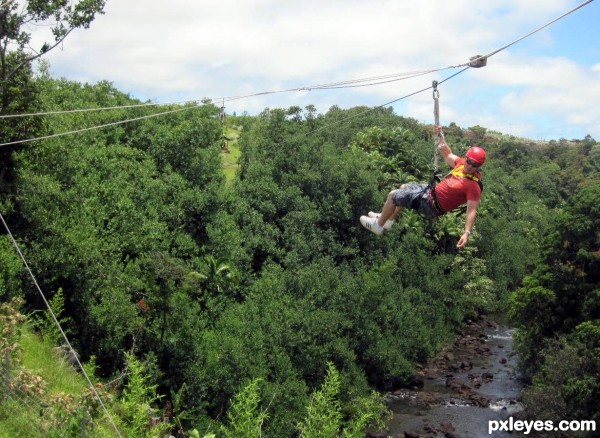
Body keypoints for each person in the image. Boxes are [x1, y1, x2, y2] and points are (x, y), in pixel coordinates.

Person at [360, 125, 486, 249]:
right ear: (466, 158)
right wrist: (440, 135)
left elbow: (472, 210)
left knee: (393, 195)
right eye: (469, 161)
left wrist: (466, 232)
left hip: (431, 205)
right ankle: (388, 220)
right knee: (403, 187)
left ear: (478, 167)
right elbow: (447, 153)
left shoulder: (473, 186)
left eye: (474, 165)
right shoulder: (461, 164)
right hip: (430, 193)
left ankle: (378, 226)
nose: (469, 166)